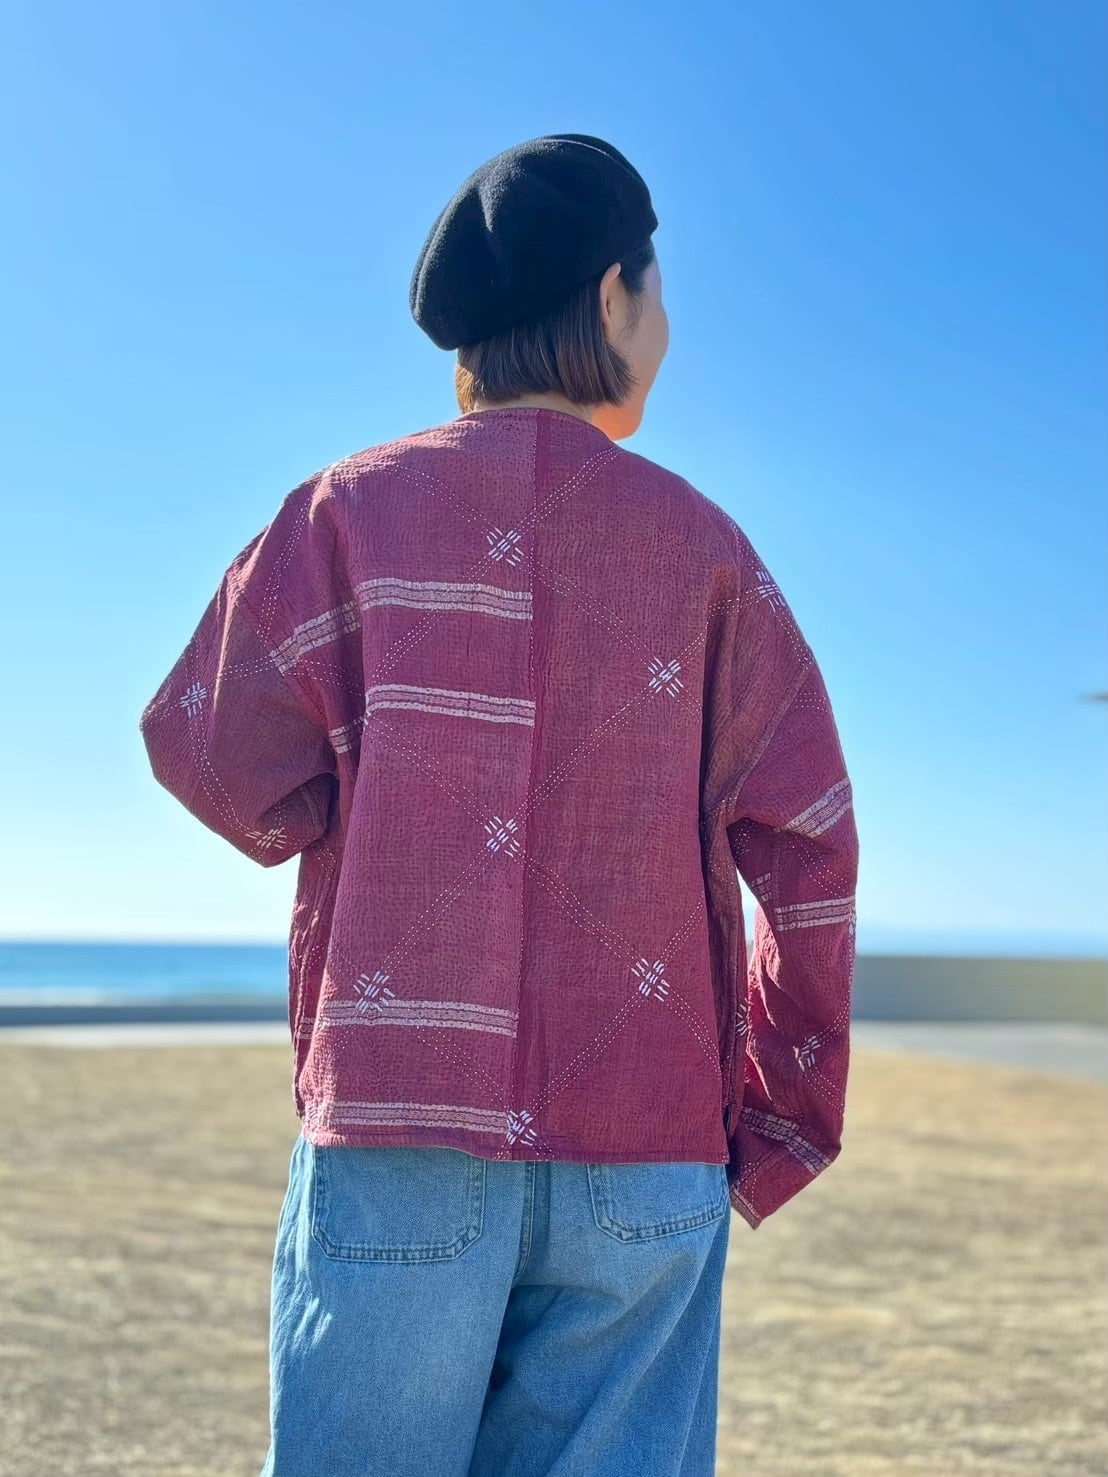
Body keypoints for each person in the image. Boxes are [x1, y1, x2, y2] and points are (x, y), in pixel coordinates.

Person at [139, 132, 859, 1477]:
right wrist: (782, 1109)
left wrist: (360, 809)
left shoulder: (344, 515)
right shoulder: (709, 552)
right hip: (647, 1139)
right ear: (614, 295)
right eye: (660, 289)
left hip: (395, 1122)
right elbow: (809, 837)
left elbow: (205, 750)